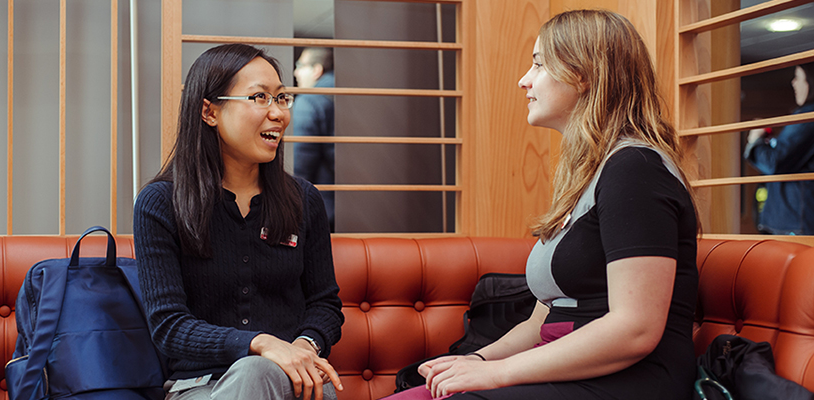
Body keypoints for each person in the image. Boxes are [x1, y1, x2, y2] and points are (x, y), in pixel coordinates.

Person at [382, 9, 699, 400]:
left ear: (581, 74)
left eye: (538, 65)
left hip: (631, 378)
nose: (524, 80)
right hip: (560, 361)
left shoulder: (636, 168)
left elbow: (635, 330)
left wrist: (497, 375)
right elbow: (542, 320)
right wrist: (477, 361)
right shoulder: (590, 173)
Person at [133, 44, 344, 400]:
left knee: (263, 372)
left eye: (281, 98)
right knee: (253, 369)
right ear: (209, 111)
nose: (278, 113)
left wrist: (305, 346)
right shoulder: (160, 203)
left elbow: (325, 304)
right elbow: (169, 326)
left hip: (296, 382)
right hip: (200, 388)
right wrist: (259, 345)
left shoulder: (303, 200)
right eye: (260, 97)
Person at [744, 62, 814, 235]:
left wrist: (756, 141)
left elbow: (774, 162)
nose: (793, 83)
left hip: (796, 222)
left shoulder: (808, 117)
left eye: (798, 77)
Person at [292, 47, 336, 231]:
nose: (295, 72)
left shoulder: (309, 101)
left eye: (300, 65)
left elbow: (300, 163)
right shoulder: (353, 94)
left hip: (323, 207)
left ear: (317, 70)